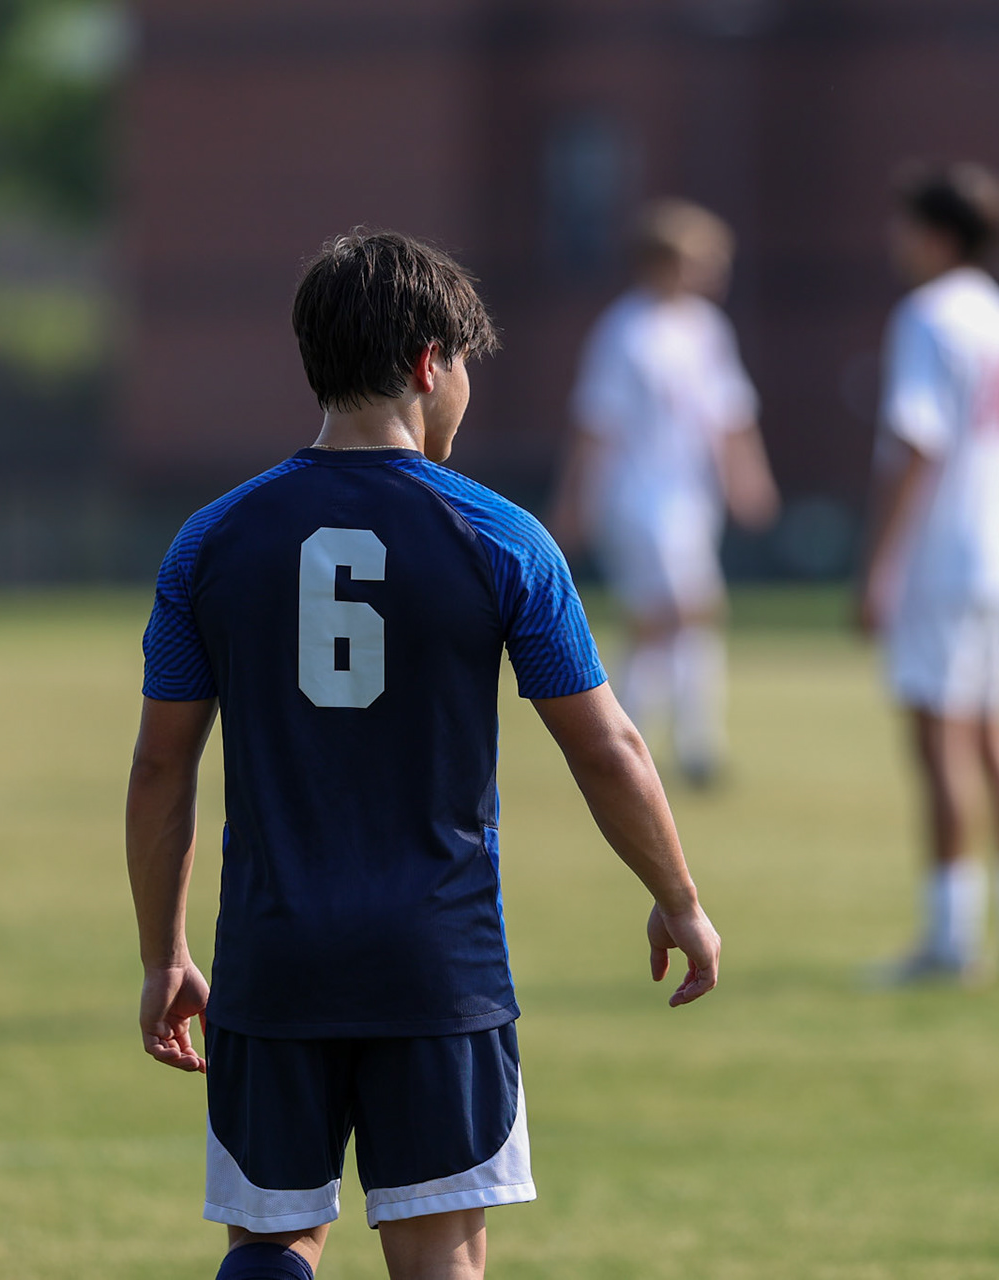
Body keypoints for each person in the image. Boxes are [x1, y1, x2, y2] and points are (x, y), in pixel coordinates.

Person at [125, 230, 721, 1280]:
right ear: (427, 362)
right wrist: (677, 892)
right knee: (441, 1251)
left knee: (269, 1240)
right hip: (436, 967)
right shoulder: (502, 538)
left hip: (274, 959)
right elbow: (606, 743)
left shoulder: (211, 541)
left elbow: (161, 767)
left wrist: (163, 952)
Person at [855, 162, 999, 986]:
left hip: (943, 555)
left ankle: (950, 940)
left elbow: (916, 442)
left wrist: (878, 565)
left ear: (939, 234)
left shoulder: (927, 315)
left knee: (940, 742)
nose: (895, 240)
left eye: (907, 225)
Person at [549, 199, 780, 787]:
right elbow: (595, 423)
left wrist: (746, 476)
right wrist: (574, 499)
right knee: (679, 610)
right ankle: (657, 742)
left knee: (674, 620)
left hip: (690, 498)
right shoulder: (626, 331)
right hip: (637, 496)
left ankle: (650, 738)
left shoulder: (706, 328)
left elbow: (730, 414)